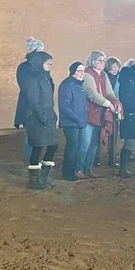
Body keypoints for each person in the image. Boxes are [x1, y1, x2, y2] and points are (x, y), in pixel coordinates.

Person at [17, 50, 58, 190]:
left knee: (53, 146)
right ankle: (34, 180)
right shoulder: (32, 78)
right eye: (47, 63)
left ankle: (43, 176)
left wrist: (51, 115)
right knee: (37, 147)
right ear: (39, 62)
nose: (49, 66)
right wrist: (43, 117)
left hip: (47, 117)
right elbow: (34, 101)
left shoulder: (45, 76)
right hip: (36, 118)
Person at [82, 50, 119, 178]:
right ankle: (79, 168)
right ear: (92, 61)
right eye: (99, 60)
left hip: (99, 114)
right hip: (89, 113)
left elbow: (109, 92)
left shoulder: (104, 75)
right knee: (85, 143)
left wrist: (116, 103)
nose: (102, 63)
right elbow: (92, 94)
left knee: (93, 143)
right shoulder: (87, 74)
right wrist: (109, 104)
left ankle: (88, 168)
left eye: (103, 61)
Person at [15, 38, 45, 163]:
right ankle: (30, 161)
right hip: (28, 104)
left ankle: (35, 159)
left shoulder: (41, 67)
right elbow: (26, 87)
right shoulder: (24, 68)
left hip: (40, 104)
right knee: (30, 135)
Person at [58, 62, 88, 182]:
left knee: (75, 147)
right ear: (73, 71)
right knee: (72, 147)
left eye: (83, 71)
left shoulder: (78, 85)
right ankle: (68, 173)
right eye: (79, 71)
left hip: (78, 122)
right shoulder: (67, 85)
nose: (82, 74)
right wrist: (77, 118)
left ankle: (72, 171)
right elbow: (64, 106)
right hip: (71, 123)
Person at [104, 56, 122, 167]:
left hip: (117, 108)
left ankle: (112, 158)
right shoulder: (104, 77)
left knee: (114, 134)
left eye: (116, 67)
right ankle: (96, 157)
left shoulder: (120, 78)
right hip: (104, 107)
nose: (115, 69)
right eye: (112, 67)